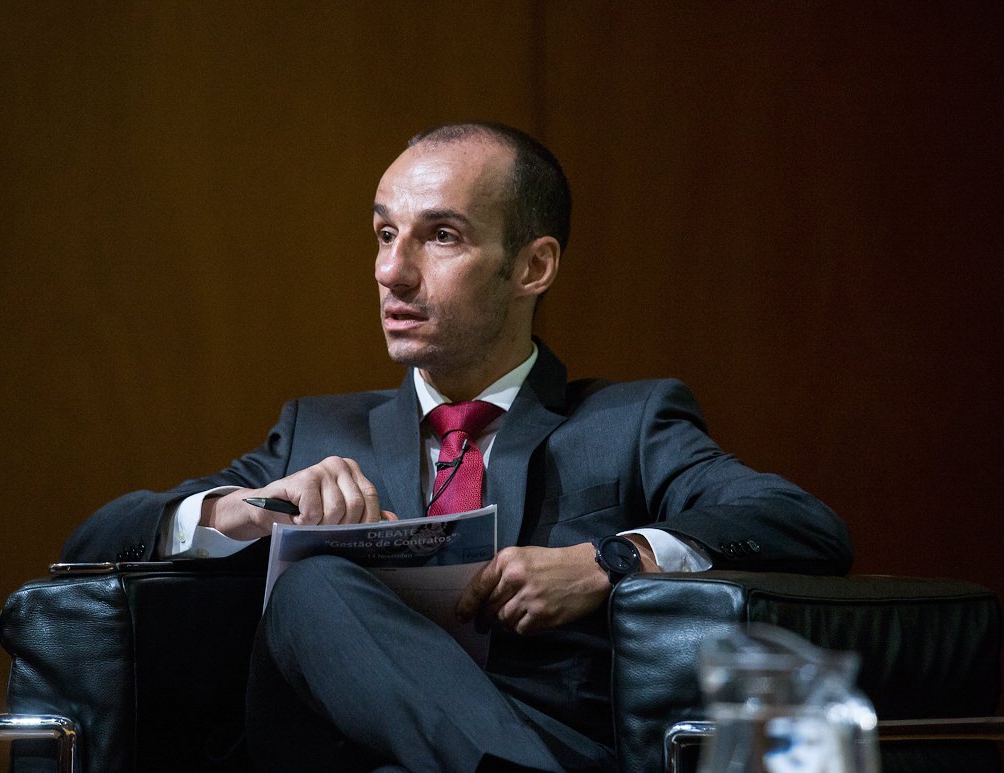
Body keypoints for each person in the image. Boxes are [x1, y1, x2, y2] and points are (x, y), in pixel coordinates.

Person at [62, 122, 853, 772]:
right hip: (334, 747)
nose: (392, 272)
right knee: (310, 589)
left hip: (546, 738)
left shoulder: (628, 423)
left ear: (533, 266)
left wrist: (608, 561)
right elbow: (95, 540)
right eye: (384, 234)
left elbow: (800, 522)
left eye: (440, 237)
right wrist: (241, 511)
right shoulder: (317, 433)